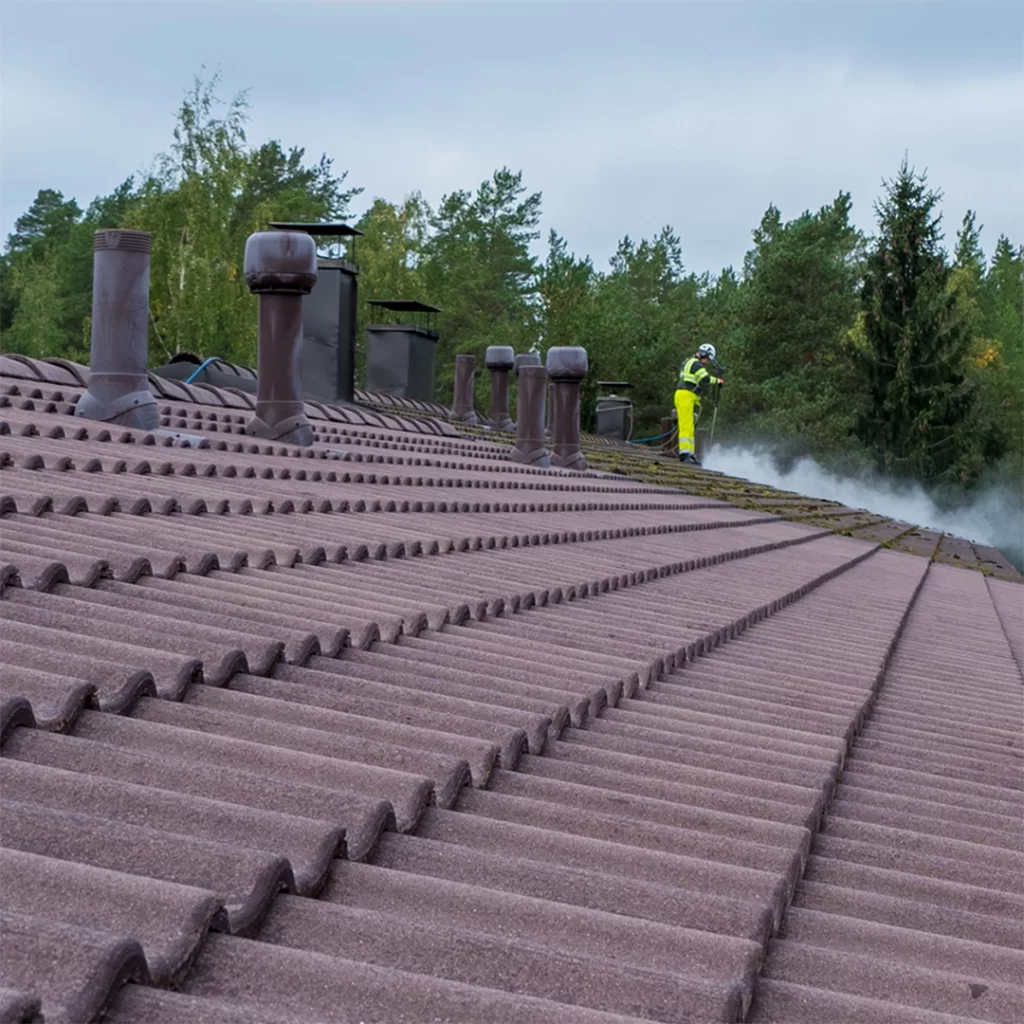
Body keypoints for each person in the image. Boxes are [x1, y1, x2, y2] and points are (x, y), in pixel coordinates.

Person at [674, 343, 723, 466]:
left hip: (687, 396)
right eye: (708, 359)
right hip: (685, 396)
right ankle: (684, 454)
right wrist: (717, 380)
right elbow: (705, 378)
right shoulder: (695, 364)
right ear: (704, 355)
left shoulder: (689, 361)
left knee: (690, 426)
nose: (707, 362)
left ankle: (690, 453)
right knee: (686, 426)